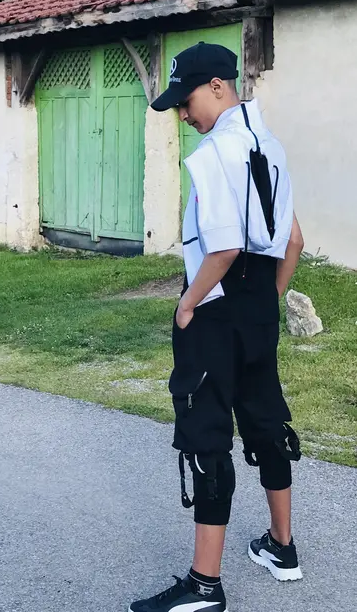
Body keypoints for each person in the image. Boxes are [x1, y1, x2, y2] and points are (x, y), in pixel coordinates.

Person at [128, 42, 305, 612]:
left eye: (187, 100)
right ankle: (282, 547)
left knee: (206, 430)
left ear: (218, 86)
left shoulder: (211, 155)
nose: (183, 113)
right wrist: (267, 301)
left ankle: (204, 586)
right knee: (264, 416)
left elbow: (223, 248)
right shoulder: (269, 145)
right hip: (257, 305)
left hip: (215, 303)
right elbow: (293, 239)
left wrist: (187, 306)